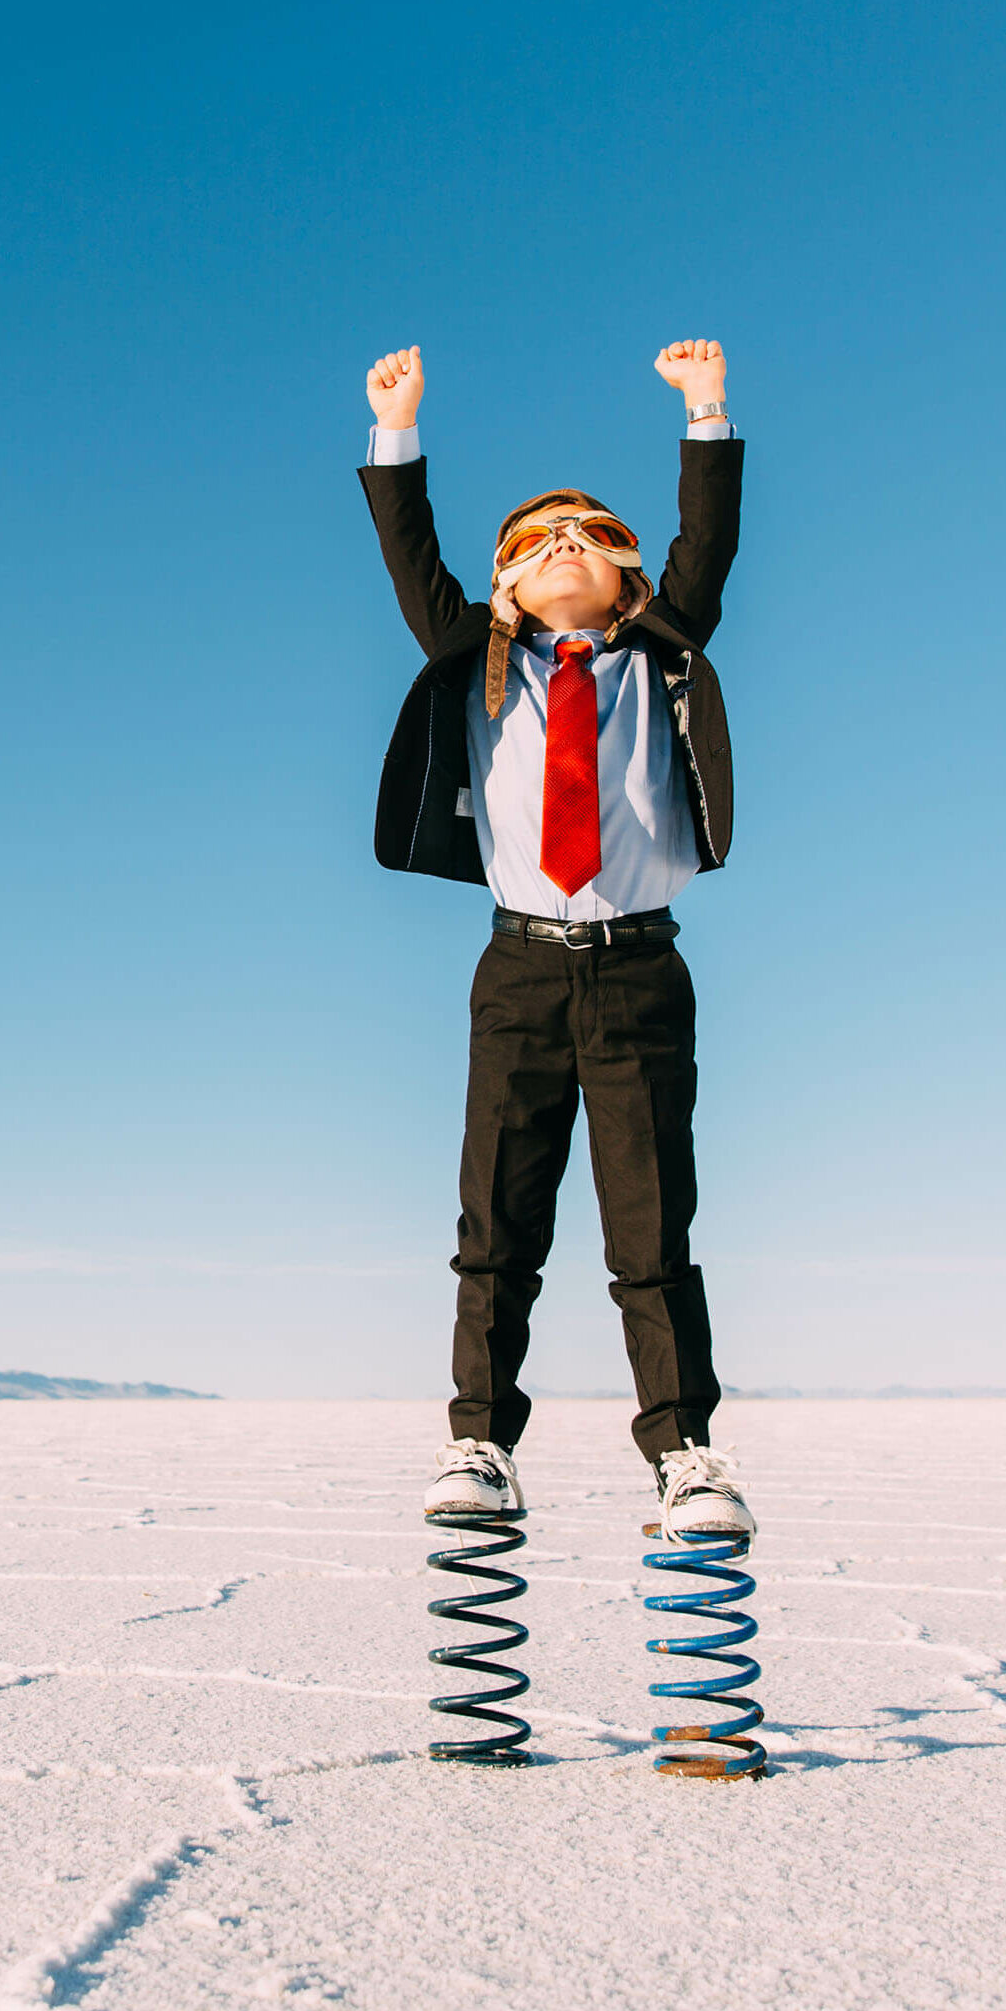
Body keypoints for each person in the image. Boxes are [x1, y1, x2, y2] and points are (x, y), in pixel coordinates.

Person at [358, 339, 754, 1542]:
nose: (562, 548)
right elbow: (410, 558)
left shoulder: (658, 651)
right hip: (518, 965)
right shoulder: (474, 662)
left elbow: (707, 545)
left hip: (639, 964)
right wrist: (397, 428)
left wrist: (704, 411)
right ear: (505, 586)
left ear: (628, 574)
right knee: (497, 1219)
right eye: (534, 543)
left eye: (587, 533)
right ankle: (478, 1437)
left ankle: (683, 1447)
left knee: (649, 1223)